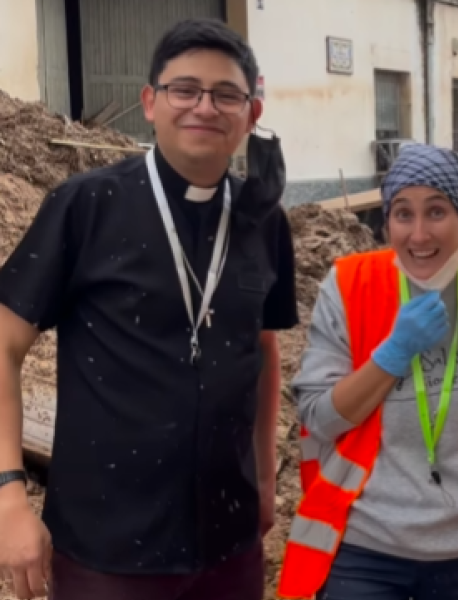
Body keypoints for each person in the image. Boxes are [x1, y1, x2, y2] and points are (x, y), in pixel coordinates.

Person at [0, 17, 298, 600]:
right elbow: (4, 345)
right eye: (184, 89)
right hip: (107, 545)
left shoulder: (264, 221)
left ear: (250, 115)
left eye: (226, 94)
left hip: (229, 541)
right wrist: (10, 493)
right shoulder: (86, 205)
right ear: (150, 102)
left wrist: (264, 480)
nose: (204, 107)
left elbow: (263, 354)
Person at [276, 143, 458, 600]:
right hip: (365, 550)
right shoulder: (349, 287)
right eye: (402, 214)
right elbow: (318, 417)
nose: (418, 235)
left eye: (437, 212)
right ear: (387, 221)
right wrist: (392, 354)